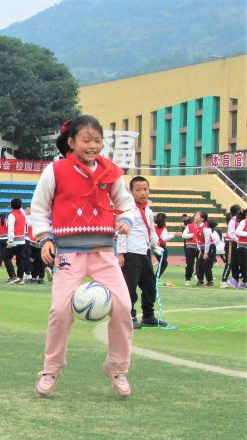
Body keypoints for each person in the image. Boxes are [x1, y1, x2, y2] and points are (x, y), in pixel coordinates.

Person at [31, 115, 136, 398]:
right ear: (71, 142)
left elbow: (126, 204)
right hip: (69, 253)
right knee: (60, 311)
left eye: (98, 140)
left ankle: (117, 367)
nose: (93, 145)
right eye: (86, 140)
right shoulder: (56, 170)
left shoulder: (111, 172)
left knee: (124, 307)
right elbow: (39, 208)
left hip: (103, 252)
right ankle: (51, 368)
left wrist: (126, 219)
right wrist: (45, 239)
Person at [117, 176, 166, 328]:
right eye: (138, 190)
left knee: (149, 285)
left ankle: (148, 315)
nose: (142, 193)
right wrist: (120, 253)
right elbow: (121, 232)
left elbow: (150, 230)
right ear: (130, 192)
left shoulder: (149, 211)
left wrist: (154, 243)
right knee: (129, 287)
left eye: (145, 189)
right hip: (131, 253)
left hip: (144, 252)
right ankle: (129, 316)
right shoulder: (128, 210)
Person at [7, 198, 28, 284]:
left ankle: (13, 276)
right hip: (22, 241)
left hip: (15, 241)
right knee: (20, 260)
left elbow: (11, 228)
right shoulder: (23, 214)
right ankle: (20, 277)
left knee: (6, 256)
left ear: (11, 206)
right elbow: (21, 209)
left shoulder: (11, 215)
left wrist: (10, 241)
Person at [220, 206, 240, 288]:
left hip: (236, 243)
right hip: (231, 243)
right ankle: (223, 281)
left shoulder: (238, 221)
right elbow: (231, 234)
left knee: (236, 263)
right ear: (238, 211)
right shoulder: (232, 221)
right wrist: (238, 239)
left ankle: (235, 280)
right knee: (229, 262)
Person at [181, 213, 201, 286]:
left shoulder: (204, 226)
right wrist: (193, 235)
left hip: (200, 247)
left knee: (200, 264)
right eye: (195, 217)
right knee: (190, 263)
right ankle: (188, 279)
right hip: (190, 247)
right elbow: (184, 235)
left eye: (198, 217)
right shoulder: (189, 226)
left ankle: (199, 279)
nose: (196, 218)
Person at [153, 212, 172, 282]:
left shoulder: (153, 225)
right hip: (160, 246)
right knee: (164, 263)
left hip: (159, 246)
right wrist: (174, 234)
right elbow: (165, 237)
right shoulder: (162, 226)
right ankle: (155, 278)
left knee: (162, 263)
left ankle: (157, 277)